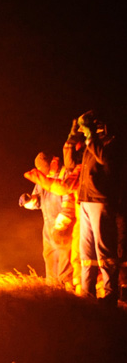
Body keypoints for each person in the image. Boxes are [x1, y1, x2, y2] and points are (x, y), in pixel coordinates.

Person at [72, 111, 121, 304]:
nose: (84, 131)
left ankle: (110, 294)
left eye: (87, 127)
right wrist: (73, 138)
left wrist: (91, 135)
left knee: (104, 249)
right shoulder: (90, 144)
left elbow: (104, 159)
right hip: (85, 200)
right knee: (86, 252)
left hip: (100, 200)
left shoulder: (111, 142)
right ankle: (87, 292)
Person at [18, 152, 72, 288]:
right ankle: (52, 289)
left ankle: (68, 291)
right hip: (48, 226)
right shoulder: (43, 178)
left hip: (64, 226)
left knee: (66, 259)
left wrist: (62, 225)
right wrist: (28, 201)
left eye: (43, 170)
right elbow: (38, 201)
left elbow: (69, 200)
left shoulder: (65, 174)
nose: (42, 173)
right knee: (50, 257)